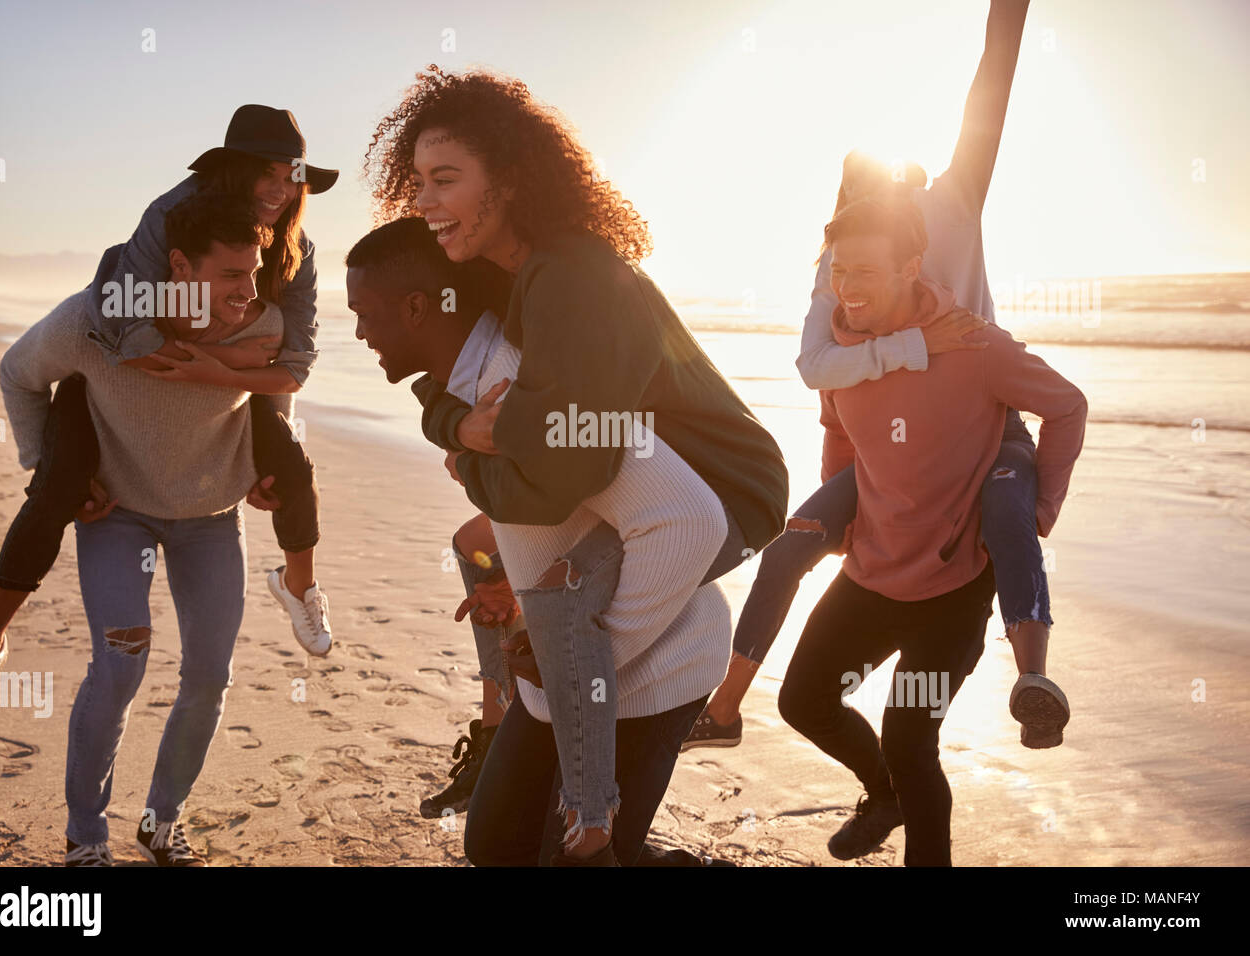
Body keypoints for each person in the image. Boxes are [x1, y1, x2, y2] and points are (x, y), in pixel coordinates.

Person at [361, 68, 790, 862]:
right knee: (509, 841)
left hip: (730, 487)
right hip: (651, 484)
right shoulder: (504, 271)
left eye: (446, 179)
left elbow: (567, 471)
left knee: (571, 838)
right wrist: (463, 425)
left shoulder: (573, 276)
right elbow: (439, 371)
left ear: (513, 179)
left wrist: (476, 459)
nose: (424, 198)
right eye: (417, 180)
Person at [686, 0, 1073, 753]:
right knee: (795, 544)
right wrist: (847, 484)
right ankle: (724, 711)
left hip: (979, 419)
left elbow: (988, 98)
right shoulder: (842, 275)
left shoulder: (949, 209)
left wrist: (1007, 19)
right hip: (889, 453)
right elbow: (829, 389)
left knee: (1006, 516)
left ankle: (1033, 678)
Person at [0, 106, 335, 733]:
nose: (279, 187)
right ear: (231, 173)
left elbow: (292, 358)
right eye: (264, 171)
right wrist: (37, 457)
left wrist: (256, 435)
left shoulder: (294, 250)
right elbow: (127, 332)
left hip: (224, 391)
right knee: (56, 489)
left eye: (290, 173)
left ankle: (300, 587)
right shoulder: (170, 216)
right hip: (99, 360)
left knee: (292, 466)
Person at [778, 194, 1086, 865]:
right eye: (839, 270)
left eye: (865, 271)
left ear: (912, 265)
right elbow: (838, 431)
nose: (847, 288)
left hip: (951, 588)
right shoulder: (840, 349)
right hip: (872, 573)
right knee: (803, 701)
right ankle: (881, 795)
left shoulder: (973, 345)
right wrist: (845, 522)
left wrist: (1040, 510)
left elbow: (1067, 405)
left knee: (910, 739)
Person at [0, 193, 297, 865]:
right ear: (182, 265)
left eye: (254, 273)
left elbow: (277, 390)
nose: (248, 293)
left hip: (213, 518)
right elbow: (18, 373)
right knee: (120, 665)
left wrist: (264, 463)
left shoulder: (264, 322)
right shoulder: (95, 320)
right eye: (230, 277)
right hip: (118, 515)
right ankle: (86, 835)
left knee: (209, 676)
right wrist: (50, 468)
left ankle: (163, 821)